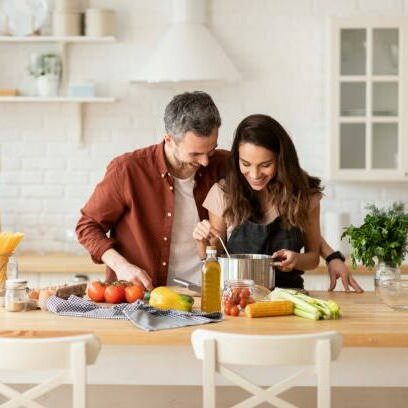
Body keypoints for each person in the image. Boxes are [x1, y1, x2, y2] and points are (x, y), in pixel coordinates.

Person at [76, 91, 363, 292]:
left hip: (207, 293)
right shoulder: (128, 170)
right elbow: (87, 226)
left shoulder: (228, 163)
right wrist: (122, 266)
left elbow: (290, 205)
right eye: (195, 153)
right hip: (150, 291)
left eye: (211, 149)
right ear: (169, 140)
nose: (205, 161)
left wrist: (331, 255)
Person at [193, 114, 362, 290]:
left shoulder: (304, 196)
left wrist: (297, 259)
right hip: (238, 301)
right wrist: (201, 241)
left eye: (265, 165)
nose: (255, 174)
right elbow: (214, 255)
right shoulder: (224, 193)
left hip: (290, 299)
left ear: (281, 160)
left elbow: (312, 257)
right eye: (246, 163)